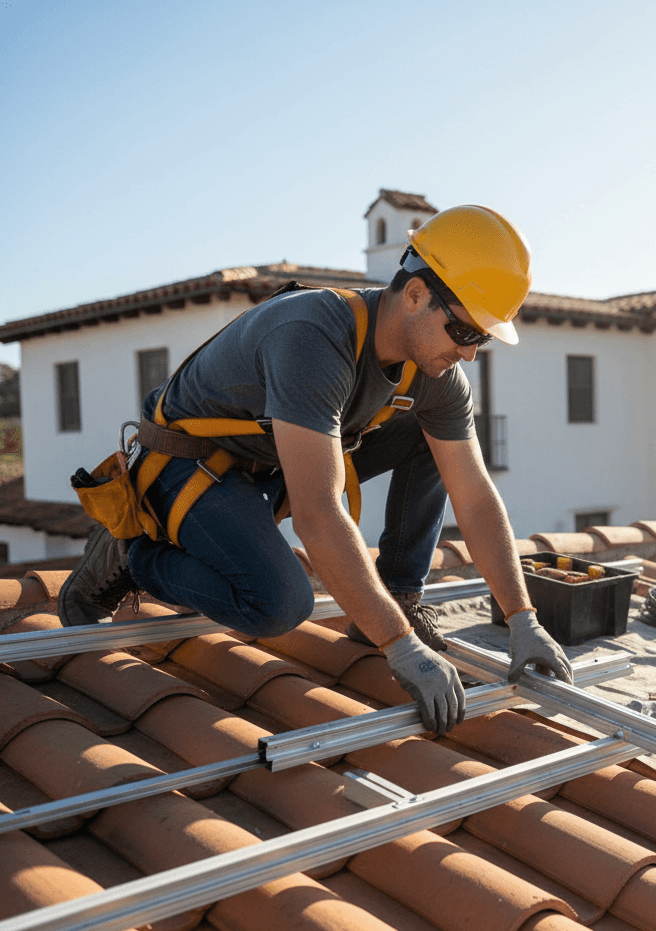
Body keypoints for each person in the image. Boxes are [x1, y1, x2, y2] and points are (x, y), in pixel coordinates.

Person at [58, 205, 573, 734]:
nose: (468, 353)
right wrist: (400, 649)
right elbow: (319, 515)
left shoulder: (435, 373)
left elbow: (474, 494)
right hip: (188, 464)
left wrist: (522, 619)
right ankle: (134, 556)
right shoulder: (314, 337)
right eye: (464, 331)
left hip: (268, 460)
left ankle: (399, 595)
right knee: (278, 605)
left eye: (481, 339)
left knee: (429, 435)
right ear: (416, 293)